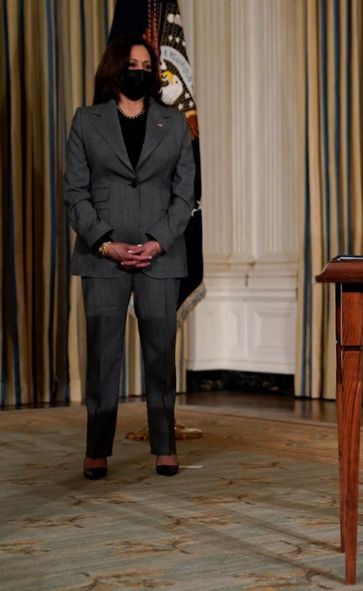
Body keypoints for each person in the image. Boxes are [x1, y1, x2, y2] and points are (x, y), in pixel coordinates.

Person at [64, 36, 195, 479]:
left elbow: (185, 193)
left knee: (160, 353)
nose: (139, 70)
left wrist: (157, 241)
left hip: (161, 254)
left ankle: (165, 446)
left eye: (146, 64)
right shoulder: (86, 120)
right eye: (131, 63)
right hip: (103, 255)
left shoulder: (174, 122)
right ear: (114, 68)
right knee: (103, 355)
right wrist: (105, 243)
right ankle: (96, 449)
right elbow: (75, 193)